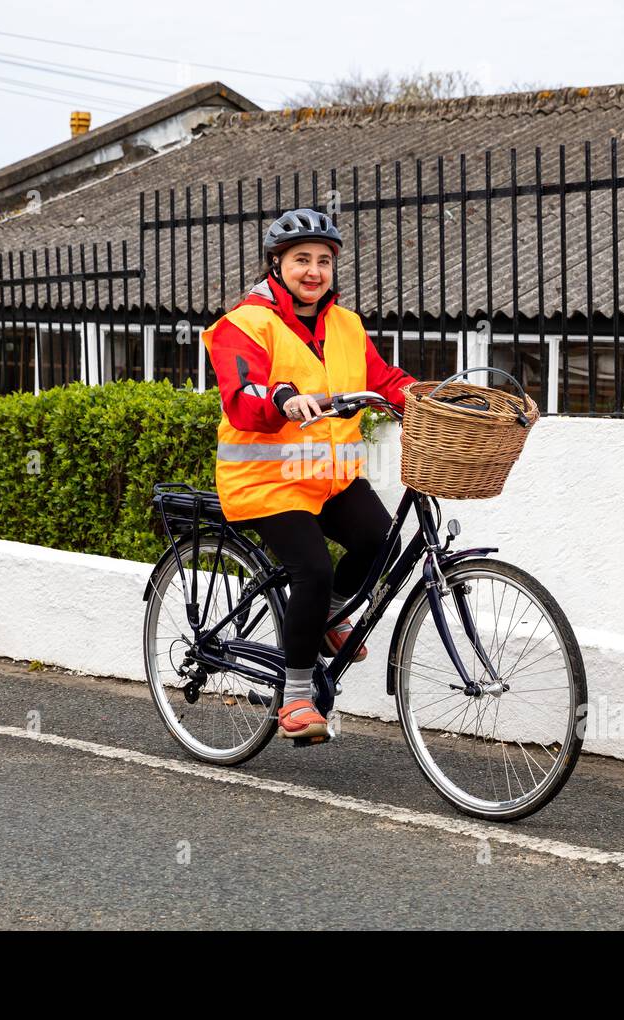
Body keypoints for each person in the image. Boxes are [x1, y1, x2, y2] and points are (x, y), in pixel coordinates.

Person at [201, 208, 417, 743]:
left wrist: (416, 395)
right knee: (313, 571)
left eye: (324, 261)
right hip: (268, 484)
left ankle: (327, 617)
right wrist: (281, 399)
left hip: (330, 478)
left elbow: (381, 376)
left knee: (381, 539)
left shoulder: (345, 324)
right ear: (277, 264)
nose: (314, 271)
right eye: (302, 260)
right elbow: (242, 394)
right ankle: (297, 697)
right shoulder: (244, 324)